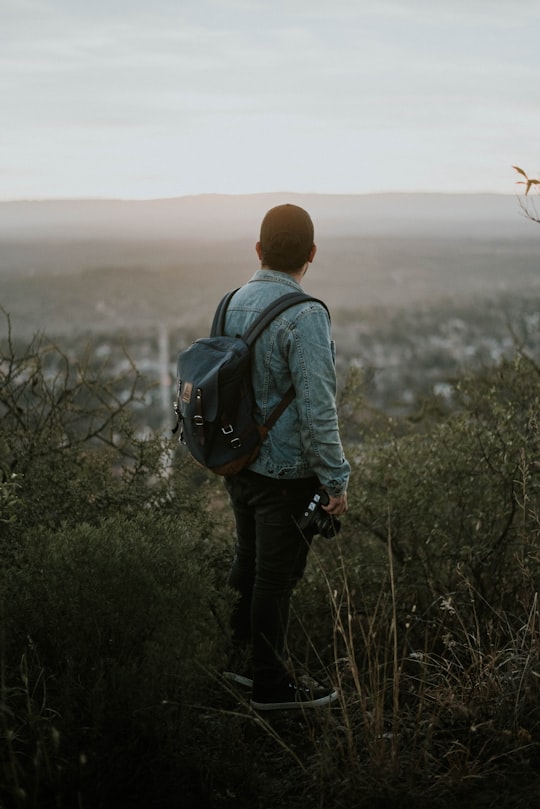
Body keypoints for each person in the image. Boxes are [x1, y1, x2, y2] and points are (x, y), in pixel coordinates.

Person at [222, 203, 350, 711]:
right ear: (312, 254)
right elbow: (319, 410)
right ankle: (272, 687)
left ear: (258, 250)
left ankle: (239, 666)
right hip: (286, 475)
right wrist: (336, 482)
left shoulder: (231, 302)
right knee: (274, 581)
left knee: (247, 566)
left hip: (239, 464)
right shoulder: (306, 314)